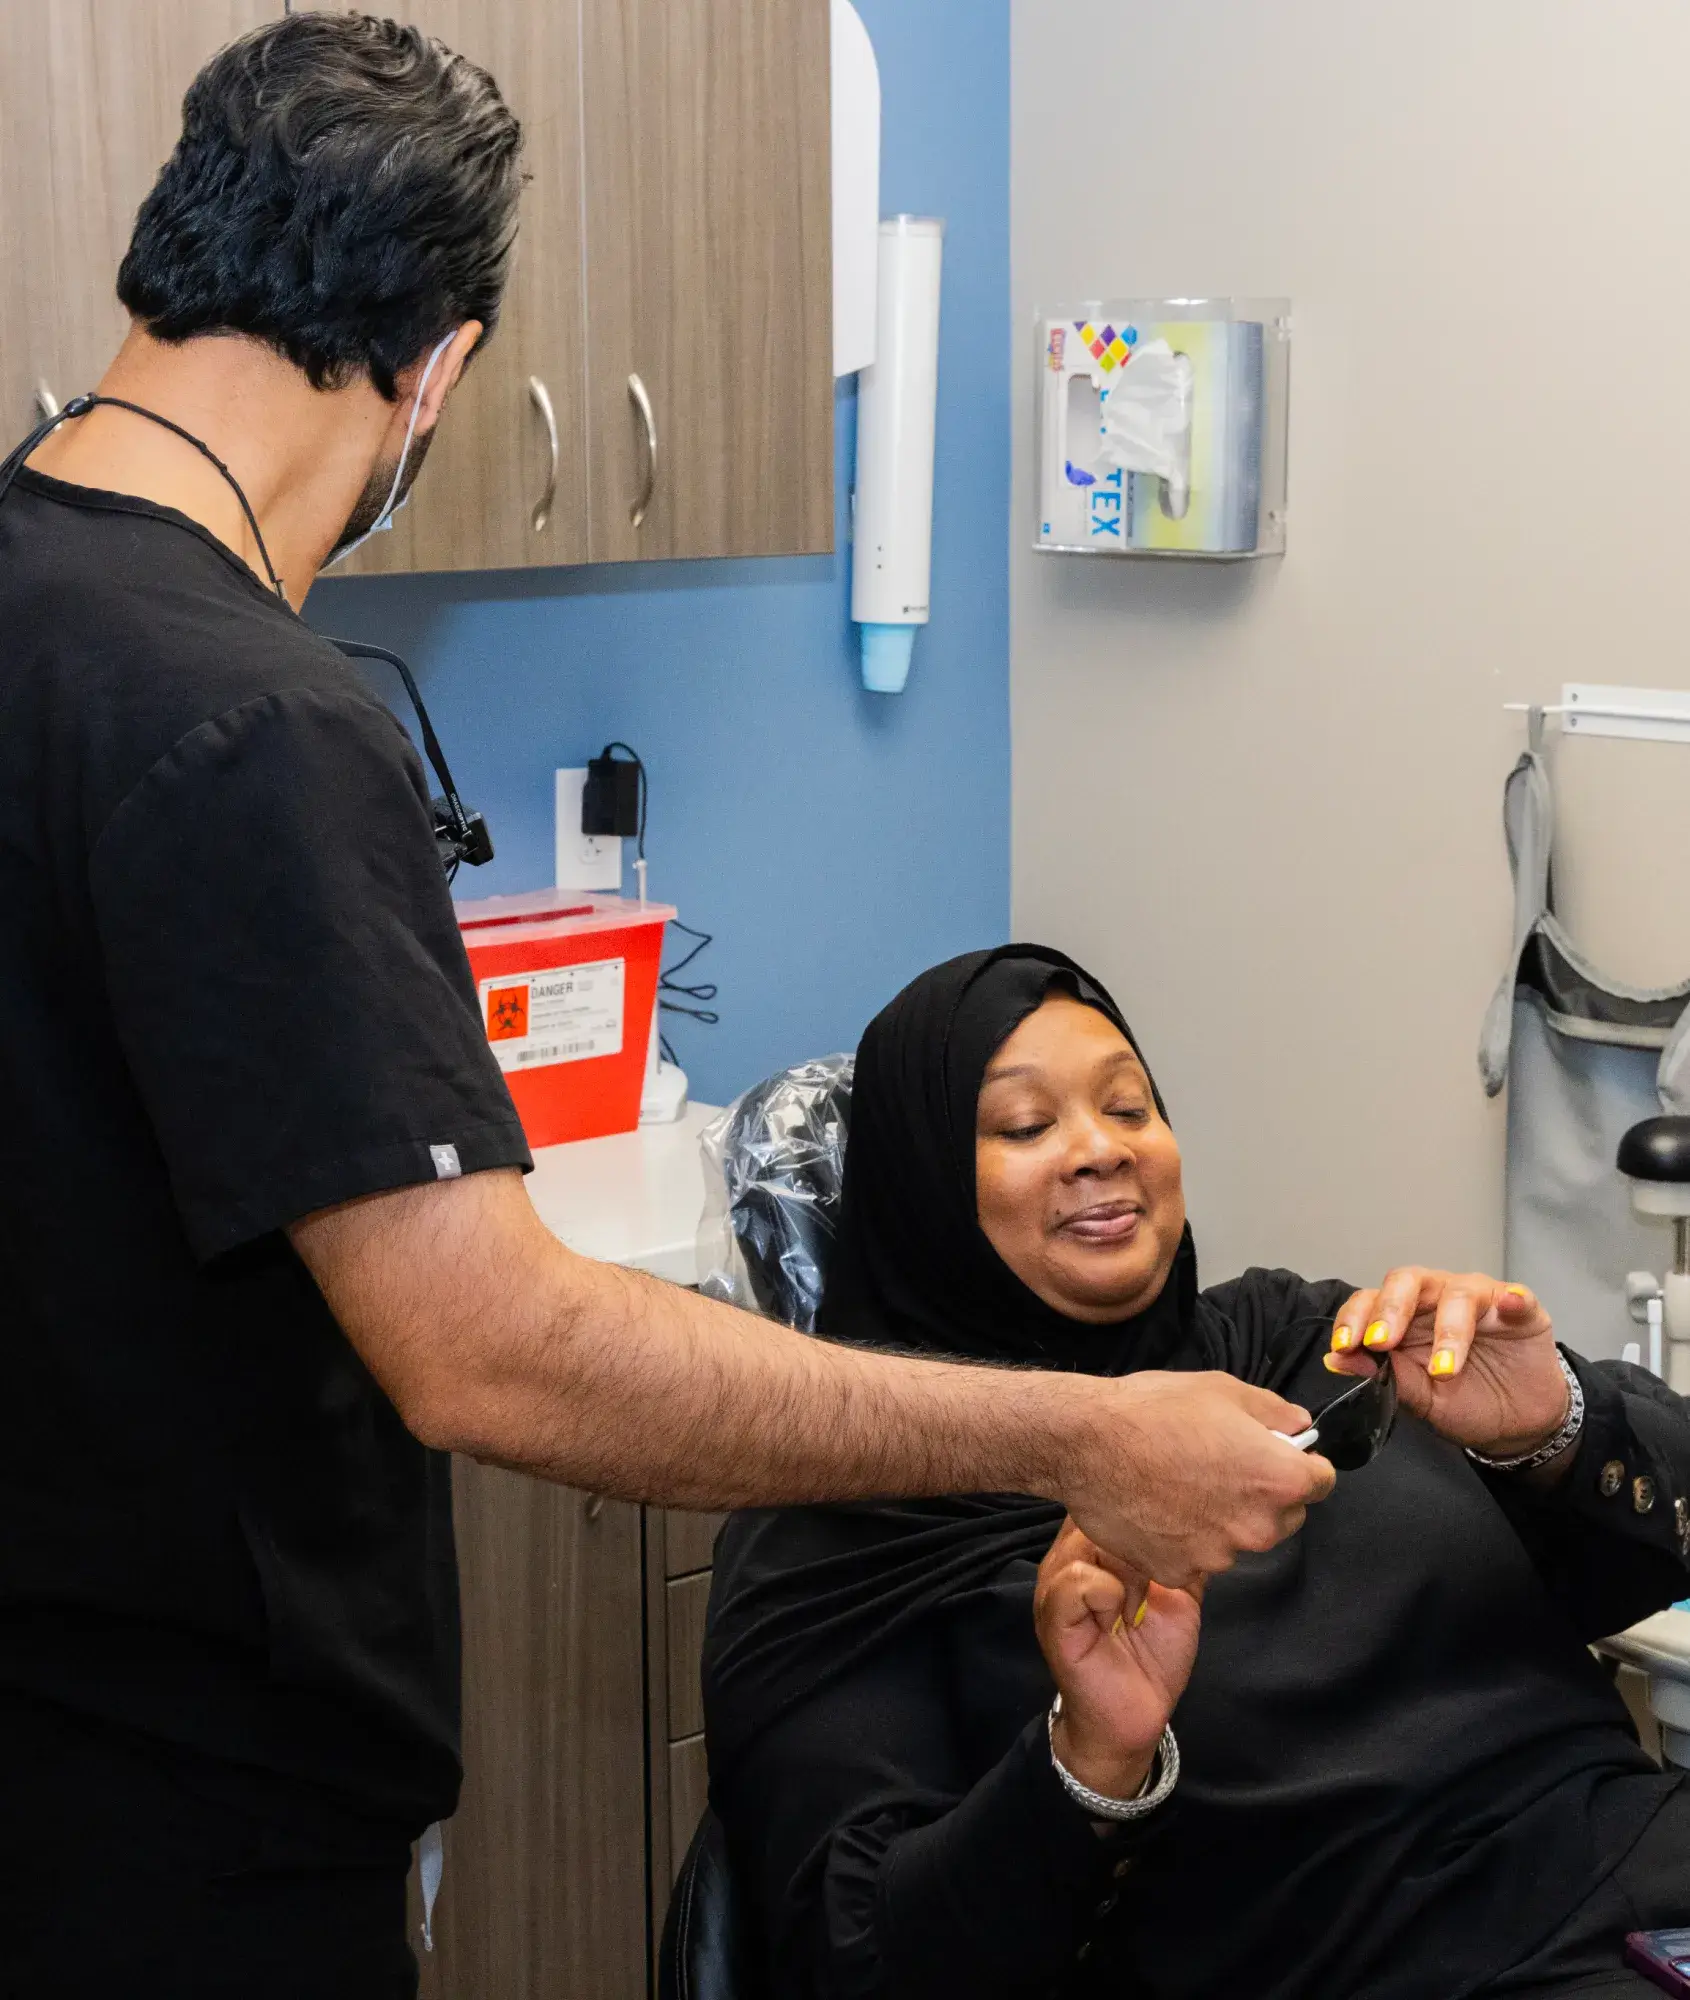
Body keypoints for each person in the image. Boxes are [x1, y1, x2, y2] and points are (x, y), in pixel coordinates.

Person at [0, 19, 1333, 1996]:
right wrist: (1077, 1434)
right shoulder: (259, 723)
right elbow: (493, 1350)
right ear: (441, 365)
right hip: (179, 1834)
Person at [702, 945, 1690, 2000]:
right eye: (1025, 1126)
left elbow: (1637, 1562)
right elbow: (859, 1963)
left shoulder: (1302, 1337)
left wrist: (1551, 1432)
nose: (1099, 1151)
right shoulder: (845, 1530)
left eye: (1129, 1108)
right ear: (920, 1194)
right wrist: (1088, 1765)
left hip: (1641, 1886)